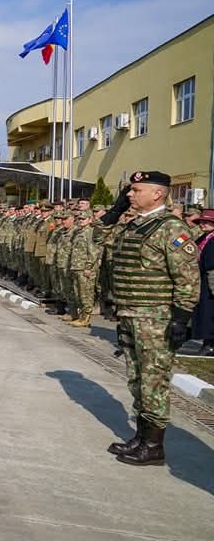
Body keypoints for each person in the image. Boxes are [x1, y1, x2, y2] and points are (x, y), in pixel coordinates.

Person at [100, 171, 199, 466]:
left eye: (136, 190)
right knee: (136, 378)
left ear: (157, 194)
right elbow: (96, 237)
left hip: (156, 317)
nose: (130, 194)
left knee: (153, 381)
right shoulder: (133, 225)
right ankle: (142, 437)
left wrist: (181, 318)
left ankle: (154, 446)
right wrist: (115, 211)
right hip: (130, 313)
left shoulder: (171, 228)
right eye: (129, 191)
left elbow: (187, 277)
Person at [190, 209, 214, 357]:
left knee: (209, 312)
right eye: (202, 221)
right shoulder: (203, 238)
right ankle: (207, 342)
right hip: (202, 279)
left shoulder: (212, 240)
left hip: (210, 279)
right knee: (204, 312)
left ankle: (210, 344)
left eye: (207, 222)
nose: (203, 224)